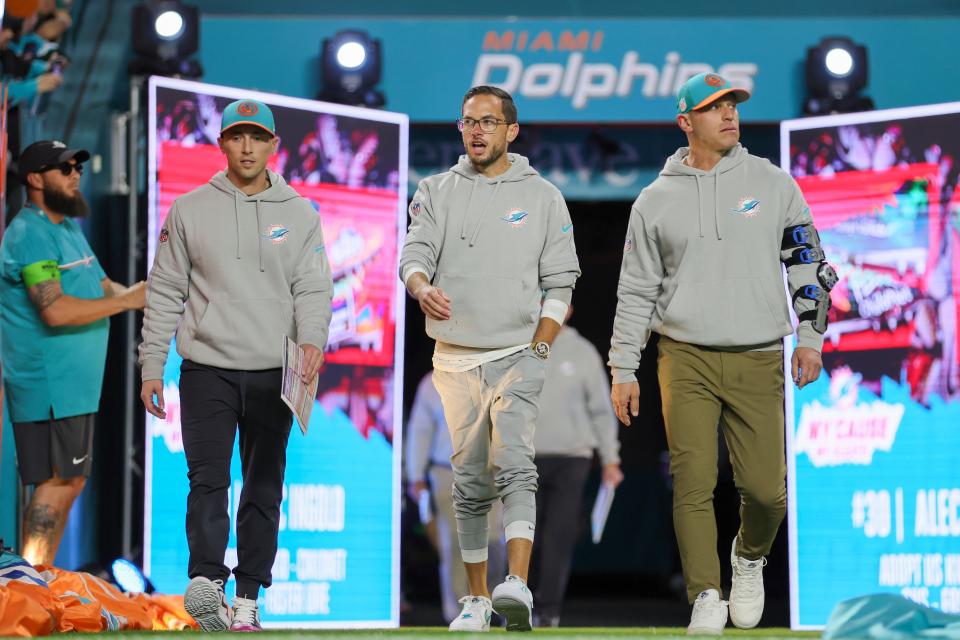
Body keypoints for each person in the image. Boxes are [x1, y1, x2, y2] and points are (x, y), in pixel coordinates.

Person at [608, 72, 836, 635]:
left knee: (766, 491)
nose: (729, 114)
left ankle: (748, 557)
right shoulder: (654, 200)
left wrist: (810, 339)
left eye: (732, 104)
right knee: (691, 480)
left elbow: (808, 263)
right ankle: (705, 595)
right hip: (683, 354)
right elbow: (635, 289)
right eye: (714, 107)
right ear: (686, 122)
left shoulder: (774, 182)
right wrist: (622, 367)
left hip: (758, 351)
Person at [138, 99, 333, 632]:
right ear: (221, 144)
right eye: (236, 137)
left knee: (264, 486)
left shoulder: (299, 212)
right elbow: (165, 293)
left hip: (276, 367)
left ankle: (248, 596)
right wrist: (151, 365)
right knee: (207, 479)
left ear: (274, 146)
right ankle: (207, 585)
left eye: (257, 137)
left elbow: (314, 287)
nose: (247, 147)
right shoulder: (190, 209)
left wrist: (313, 339)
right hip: (207, 367)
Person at [399, 85, 580, 632]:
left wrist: (542, 344)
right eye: (467, 122)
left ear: (511, 131)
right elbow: (415, 251)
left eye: (487, 122)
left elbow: (561, 282)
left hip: (519, 352)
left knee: (517, 465)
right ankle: (477, 600)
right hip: (454, 358)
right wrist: (418, 284)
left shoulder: (544, 197)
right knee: (469, 480)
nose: (476, 131)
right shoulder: (434, 190)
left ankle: (517, 587)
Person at [0, 140, 146, 566]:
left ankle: (40, 580)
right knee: (54, 482)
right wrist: (127, 302)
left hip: (74, 388)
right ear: (35, 179)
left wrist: (146, 297)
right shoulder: (28, 233)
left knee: (71, 481)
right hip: (48, 384)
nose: (75, 173)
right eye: (64, 168)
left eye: (78, 166)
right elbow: (56, 311)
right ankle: (29, 585)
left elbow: (104, 288)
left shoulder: (66, 229)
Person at [528, 307, 623, 628]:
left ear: (569, 308)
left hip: (572, 459)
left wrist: (610, 458)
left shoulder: (582, 352)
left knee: (558, 537)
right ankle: (518, 606)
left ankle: (549, 611)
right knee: (522, 537)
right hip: (524, 458)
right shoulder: (515, 344)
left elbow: (600, 409)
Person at [405, 370, 507, 624]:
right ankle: (461, 615)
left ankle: (493, 607)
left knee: (495, 544)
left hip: (491, 472)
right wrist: (415, 474)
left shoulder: (499, 373)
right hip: (447, 473)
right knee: (455, 547)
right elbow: (420, 429)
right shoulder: (433, 382)